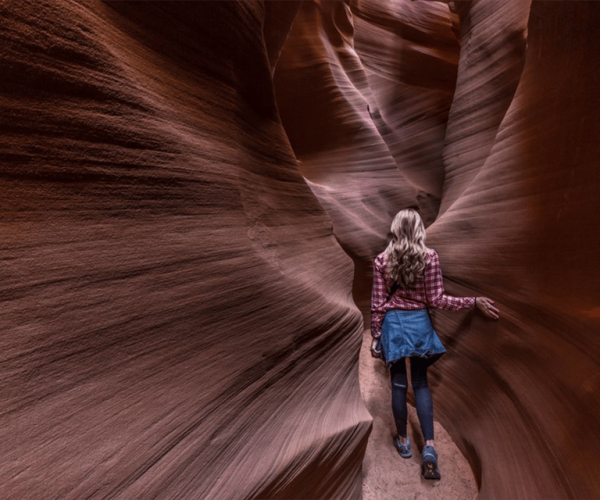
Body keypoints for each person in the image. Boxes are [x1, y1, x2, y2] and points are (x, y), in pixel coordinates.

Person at [370, 208, 499, 480]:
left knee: (397, 383)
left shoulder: (381, 261)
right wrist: (472, 301)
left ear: (395, 228)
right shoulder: (430, 258)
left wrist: (375, 336)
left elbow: (378, 305)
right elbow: (438, 299)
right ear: (419, 230)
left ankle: (404, 441)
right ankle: (429, 447)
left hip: (393, 325)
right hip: (419, 323)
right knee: (420, 383)